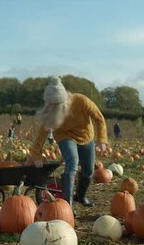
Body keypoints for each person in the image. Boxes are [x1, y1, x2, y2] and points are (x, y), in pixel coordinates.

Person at [27, 77, 108, 209]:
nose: (52, 108)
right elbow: (41, 134)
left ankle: (80, 196)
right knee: (72, 162)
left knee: (88, 170)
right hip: (64, 136)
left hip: (85, 136)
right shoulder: (51, 112)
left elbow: (99, 118)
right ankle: (66, 205)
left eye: (55, 106)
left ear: (62, 101)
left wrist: (102, 139)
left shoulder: (81, 101)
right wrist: (36, 155)